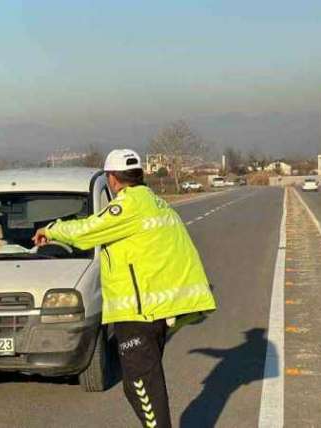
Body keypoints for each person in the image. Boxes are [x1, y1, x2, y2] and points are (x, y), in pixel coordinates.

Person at [32, 149, 217, 428]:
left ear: (112, 179)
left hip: (137, 314)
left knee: (143, 387)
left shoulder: (128, 206)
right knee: (140, 385)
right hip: (159, 310)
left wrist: (51, 230)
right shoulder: (157, 203)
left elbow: (87, 230)